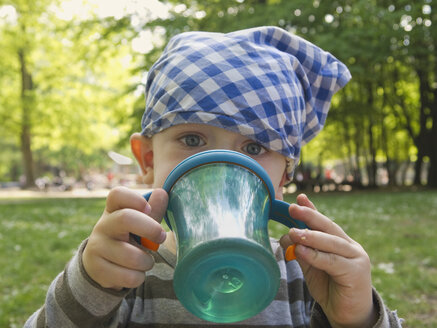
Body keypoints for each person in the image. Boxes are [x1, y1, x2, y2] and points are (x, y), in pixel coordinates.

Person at [25, 26, 403, 327]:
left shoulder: (306, 277)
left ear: (284, 176)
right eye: (192, 139)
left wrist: (357, 317)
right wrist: (90, 284)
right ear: (149, 158)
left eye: (254, 149)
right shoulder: (125, 266)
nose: (220, 168)